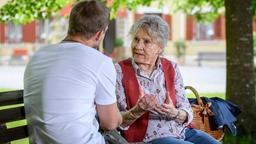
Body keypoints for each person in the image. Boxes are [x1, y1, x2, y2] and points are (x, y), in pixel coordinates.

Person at [23, 1, 122, 143]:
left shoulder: (38, 55)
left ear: (71, 25)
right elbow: (110, 123)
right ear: (99, 34)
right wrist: (122, 116)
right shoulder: (100, 62)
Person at [115, 15, 220, 144]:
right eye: (136, 39)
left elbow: (186, 109)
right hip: (149, 138)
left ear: (160, 48)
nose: (138, 46)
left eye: (146, 42)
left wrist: (174, 113)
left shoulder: (171, 67)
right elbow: (116, 121)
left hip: (182, 132)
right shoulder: (120, 70)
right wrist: (138, 110)